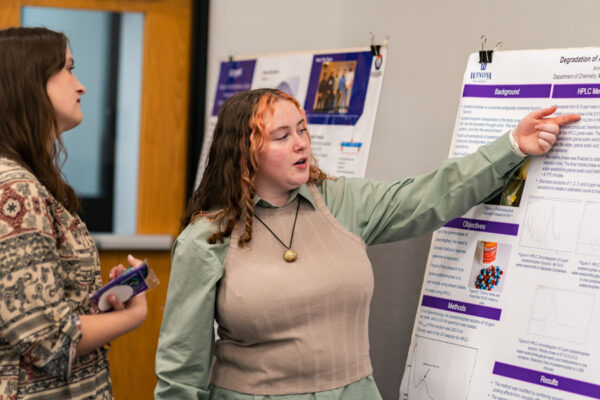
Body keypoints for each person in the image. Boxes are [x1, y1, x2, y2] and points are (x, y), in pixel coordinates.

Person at [154, 88, 579, 399]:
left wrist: (511, 147)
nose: (301, 142)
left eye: (302, 129)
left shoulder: (341, 201)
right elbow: (180, 372)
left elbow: (431, 193)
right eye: (281, 136)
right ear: (244, 152)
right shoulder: (207, 238)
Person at [0, 27, 147, 399]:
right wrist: (130, 316)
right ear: (29, 83)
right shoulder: (15, 190)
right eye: (67, 69)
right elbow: (47, 339)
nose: (80, 86)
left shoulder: (23, 178)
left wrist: (95, 301)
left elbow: (35, 310)